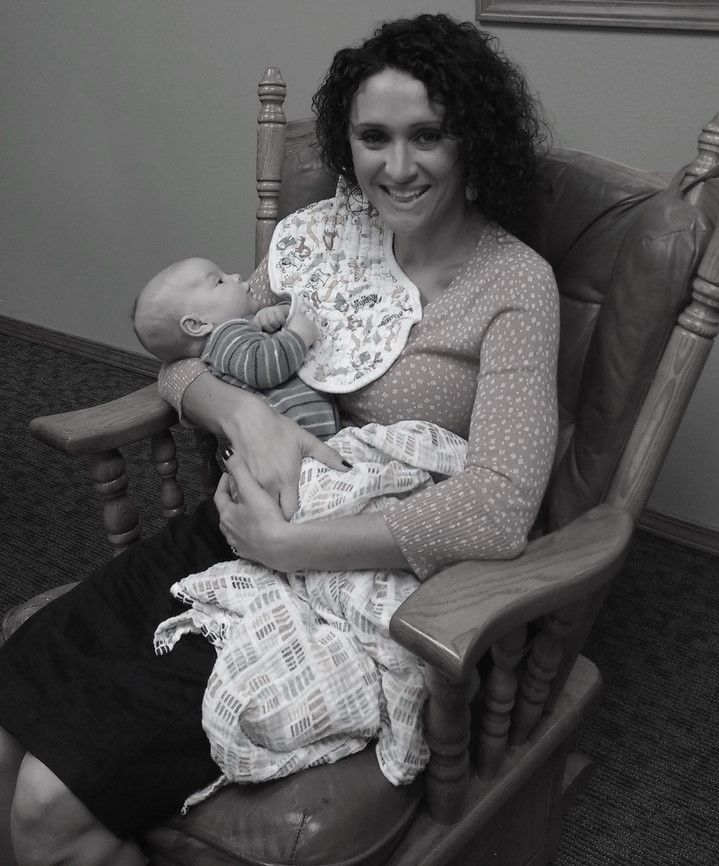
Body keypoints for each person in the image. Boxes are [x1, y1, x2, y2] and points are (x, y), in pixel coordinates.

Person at [0, 12, 559, 866]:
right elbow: (188, 362)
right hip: (231, 529)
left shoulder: (514, 284)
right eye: (372, 137)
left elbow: (497, 510)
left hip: (354, 580)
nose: (396, 167)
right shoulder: (329, 241)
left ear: (472, 137)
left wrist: (290, 546)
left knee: (47, 805)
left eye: (426, 135)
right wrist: (246, 417)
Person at [132, 257, 339, 440]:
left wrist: (278, 313)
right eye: (220, 281)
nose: (236, 276)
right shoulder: (226, 336)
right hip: (295, 440)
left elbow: (265, 347)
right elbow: (265, 367)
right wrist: (299, 334)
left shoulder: (235, 339)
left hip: (310, 434)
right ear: (197, 324)